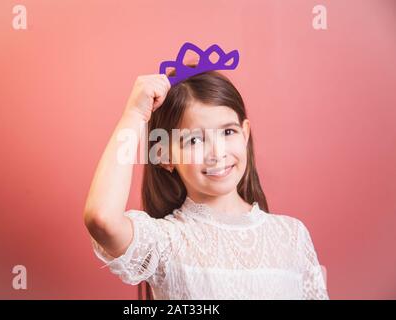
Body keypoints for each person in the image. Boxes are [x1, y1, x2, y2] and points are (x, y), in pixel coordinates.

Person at [83, 67, 329, 300]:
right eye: (194, 140)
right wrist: (134, 115)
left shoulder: (293, 236)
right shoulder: (167, 242)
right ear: (165, 155)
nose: (217, 153)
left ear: (245, 134)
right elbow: (102, 219)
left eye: (228, 132)